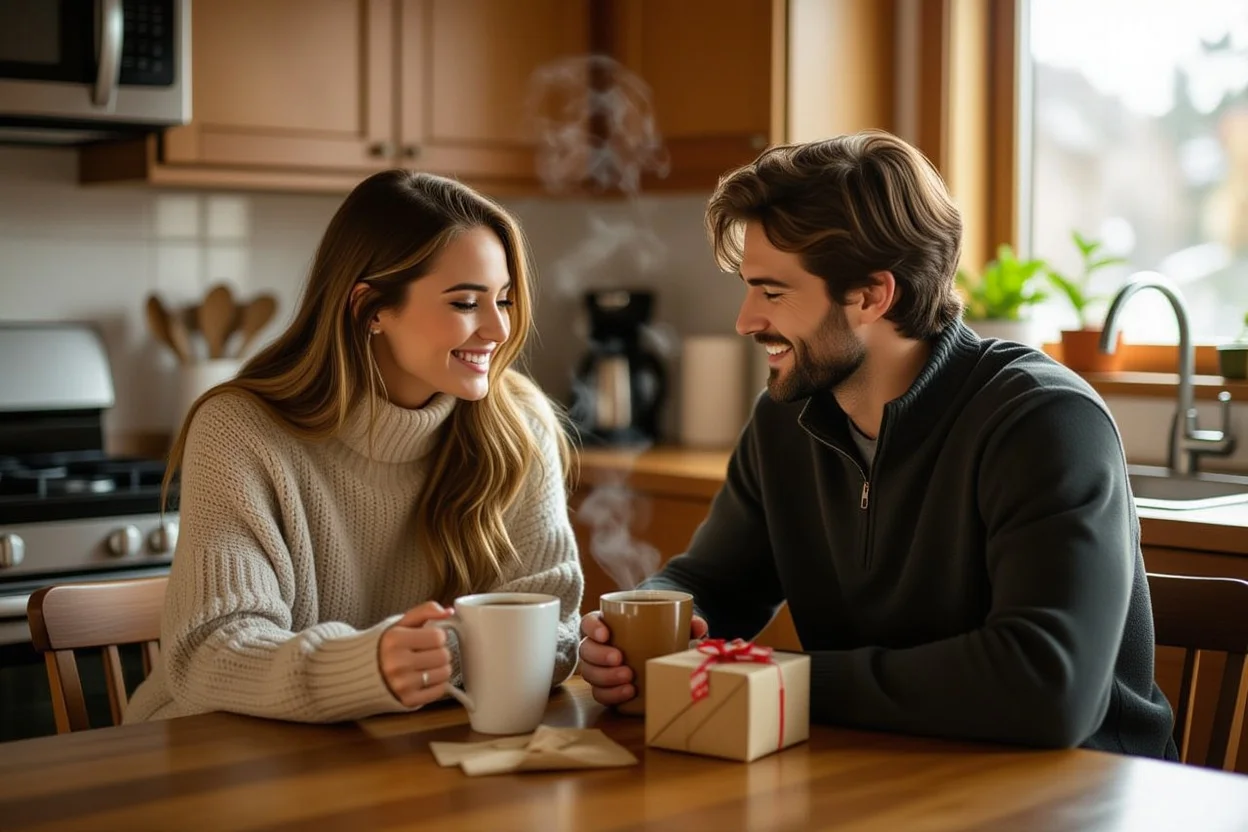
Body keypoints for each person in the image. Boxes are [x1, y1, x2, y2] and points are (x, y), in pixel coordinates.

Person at [578, 130, 1177, 758]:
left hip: (1087, 794)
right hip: (894, 768)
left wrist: (777, 679)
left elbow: (1048, 689)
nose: (746, 320)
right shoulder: (787, 420)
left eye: (772, 292)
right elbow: (715, 583)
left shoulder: (1043, 421)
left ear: (871, 295)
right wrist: (640, 631)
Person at [126, 170, 583, 724]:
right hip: (214, 756)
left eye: (504, 301)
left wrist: (423, 663)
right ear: (372, 309)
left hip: (399, 752)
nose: (498, 329)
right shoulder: (240, 431)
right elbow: (212, 652)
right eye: (466, 303)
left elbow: (553, 619)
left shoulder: (517, 423)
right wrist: (367, 667)